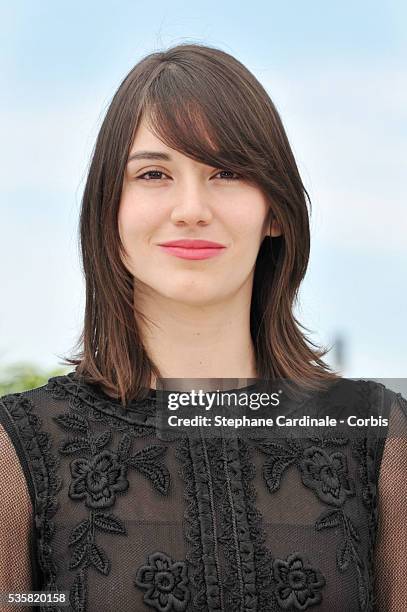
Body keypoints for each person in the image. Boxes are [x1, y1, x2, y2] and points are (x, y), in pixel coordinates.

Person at [0, 42, 406, 612]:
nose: (191, 208)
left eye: (228, 171)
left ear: (276, 212)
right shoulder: (15, 453)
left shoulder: (382, 440)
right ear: (108, 212)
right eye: (154, 173)